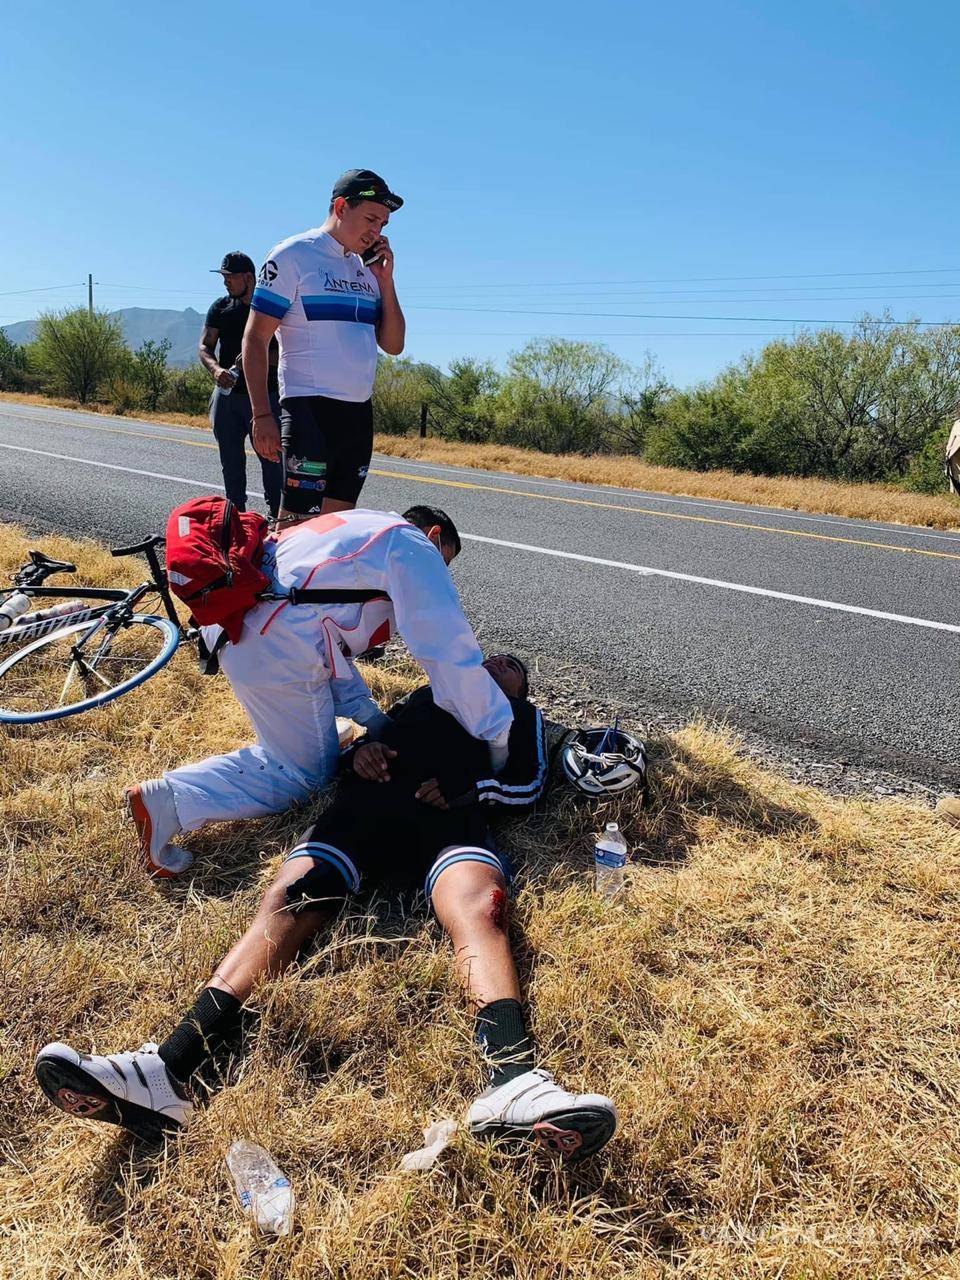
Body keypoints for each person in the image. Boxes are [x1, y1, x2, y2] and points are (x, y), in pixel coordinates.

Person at [35, 656, 618, 1162]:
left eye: (513, 667)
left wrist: (468, 791)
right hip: (370, 807)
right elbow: (364, 741)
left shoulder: (523, 717)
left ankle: (512, 1081)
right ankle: (168, 1070)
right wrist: (364, 752)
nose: (498, 665)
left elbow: (529, 785)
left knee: (482, 909)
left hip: (452, 819)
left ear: (521, 690)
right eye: (492, 659)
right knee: (287, 901)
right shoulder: (431, 693)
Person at [126, 505, 515, 877]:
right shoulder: (413, 546)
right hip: (274, 643)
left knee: (310, 745)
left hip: (243, 626)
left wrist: (373, 719)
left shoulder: (363, 525)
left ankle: (182, 794)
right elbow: (447, 651)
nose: (443, 572)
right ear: (434, 536)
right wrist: (497, 735)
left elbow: (328, 638)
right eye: (445, 561)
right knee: (303, 774)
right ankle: (171, 801)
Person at [242, 169, 406, 527]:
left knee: (335, 529)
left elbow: (394, 344)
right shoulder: (293, 255)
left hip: (357, 415)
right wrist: (262, 414)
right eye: (371, 219)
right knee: (296, 526)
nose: (377, 231)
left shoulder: (367, 269)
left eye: (383, 224)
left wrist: (386, 281)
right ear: (341, 207)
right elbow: (255, 338)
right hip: (309, 410)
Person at [200, 252, 283, 520]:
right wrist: (216, 370)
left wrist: (255, 357)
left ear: (248, 277)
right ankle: (235, 520)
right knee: (231, 462)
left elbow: (288, 351)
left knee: (272, 459)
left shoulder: (269, 307)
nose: (225, 282)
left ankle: (276, 519)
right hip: (228, 397)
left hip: (266, 397)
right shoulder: (221, 308)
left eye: (230, 277)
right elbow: (205, 346)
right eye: (223, 277)